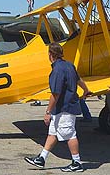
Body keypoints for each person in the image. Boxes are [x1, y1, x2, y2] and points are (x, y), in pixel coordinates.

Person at [24, 42, 92, 172]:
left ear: (50, 55)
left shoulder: (57, 70)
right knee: (53, 133)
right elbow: (79, 79)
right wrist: (86, 90)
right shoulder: (69, 65)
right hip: (65, 106)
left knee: (69, 134)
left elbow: (55, 93)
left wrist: (48, 111)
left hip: (65, 107)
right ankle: (41, 158)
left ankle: (77, 163)